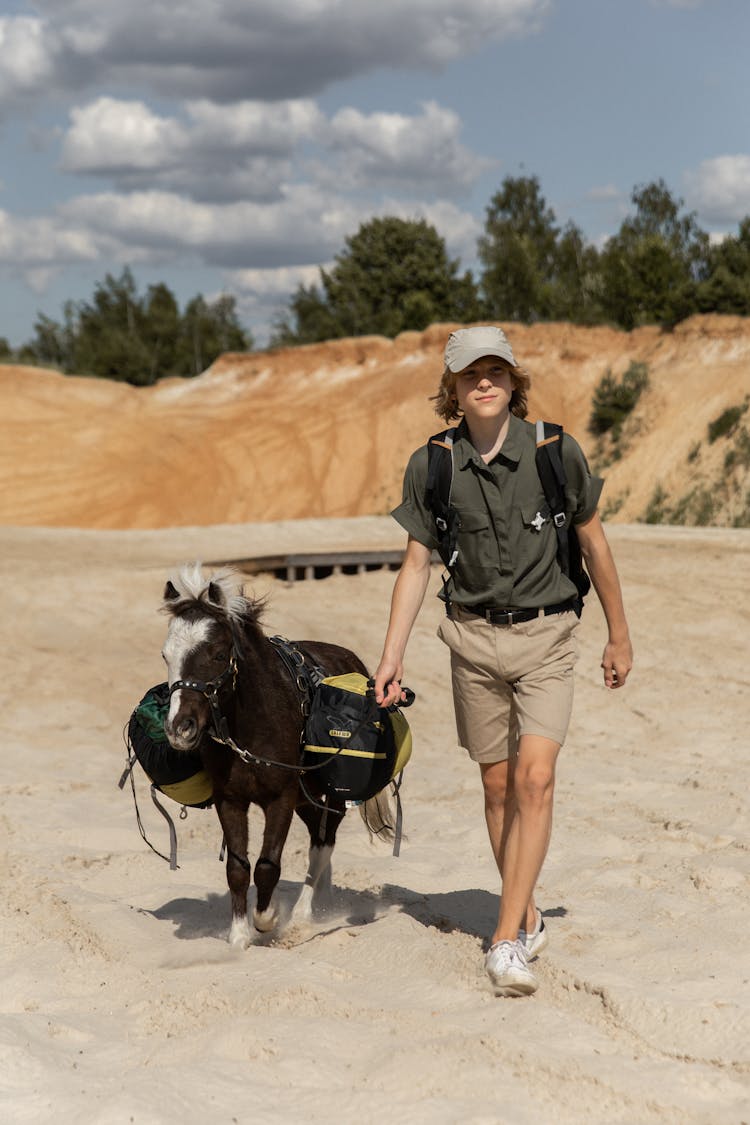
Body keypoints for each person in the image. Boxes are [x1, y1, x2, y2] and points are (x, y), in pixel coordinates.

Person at [373, 325, 633, 998]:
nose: (483, 381)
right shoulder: (434, 463)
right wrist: (391, 656)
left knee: (535, 779)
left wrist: (619, 634)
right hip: (472, 644)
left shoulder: (555, 451)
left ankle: (505, 937)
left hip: (547, 638)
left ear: (515, 382)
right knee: (496, 787)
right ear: (452, 388)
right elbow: (414, 567)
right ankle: (527, 908)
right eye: (470, 373)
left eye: (496, 371)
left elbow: (596, 547)